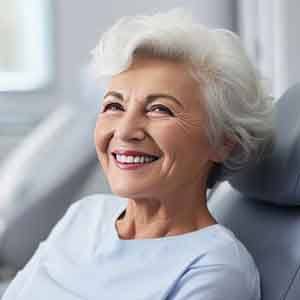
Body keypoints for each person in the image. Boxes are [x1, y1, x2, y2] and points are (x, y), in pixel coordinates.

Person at [3, 9, 273, 300]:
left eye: (160, 109)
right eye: (114, 106)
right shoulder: (84, 214)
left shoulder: (214, 269)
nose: (125, 130)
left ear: (223, 143)